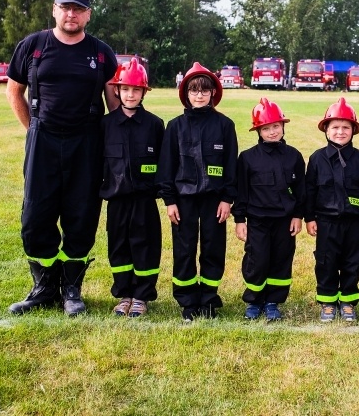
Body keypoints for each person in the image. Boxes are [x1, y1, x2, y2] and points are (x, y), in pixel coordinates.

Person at [6, 0, 118, 316]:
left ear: (88, 15)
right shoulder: (32, 46)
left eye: (78, 9)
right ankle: (44, 288)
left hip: (87, 142)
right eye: (65, 7)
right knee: (35, 217)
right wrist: (33, 129)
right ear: (54, 9)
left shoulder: (101, 53)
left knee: (81, 215)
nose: (71, 14)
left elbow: (114, 103)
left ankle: (71, 288)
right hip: (43, 139)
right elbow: (14, 91)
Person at [157, 62, 238, 322]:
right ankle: (188, 301)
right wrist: (170, 200)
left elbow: (231, 166)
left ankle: (209, 299)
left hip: (215, 200)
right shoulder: (175, 126)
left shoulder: (225, 126)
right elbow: (166, 166)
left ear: (213, 92)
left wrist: (227, 199)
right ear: (186, 94)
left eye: (204, 90)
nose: (199, 95)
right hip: (183, 200)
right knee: (184, 249)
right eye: (194, 90)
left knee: (213, 248)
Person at [100, 57, 165, 318]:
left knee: (145, 246)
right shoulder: (105, 125)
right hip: (117, 199)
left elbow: (163, 163)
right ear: (116, 90)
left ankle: (141, 296)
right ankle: (124, 294)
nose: (130, 94)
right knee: (119, 246)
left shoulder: (155, 125)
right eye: (125, 89)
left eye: (136, 90)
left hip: (144, 200)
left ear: (143, 92)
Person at [232, 98, 306, 322]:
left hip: (284, 220)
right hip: (258, 221)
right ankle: (254, 300)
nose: (272, 132)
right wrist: (240, 219)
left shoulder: (294, 156)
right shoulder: (247, 158)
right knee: (258, 260)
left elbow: (301, 190)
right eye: (266, 128)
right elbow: (241, 192)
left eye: (276, 126)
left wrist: (298, 215)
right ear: (258, 131)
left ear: (283, 126)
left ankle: (273, 301)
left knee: (281, 259)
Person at [305, 98, 359, 322]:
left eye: (346, 127)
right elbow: (309, 191)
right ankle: (328, 302)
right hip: (326, 222)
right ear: (326, 129)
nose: (340, 132)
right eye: (335, 127)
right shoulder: (316, 159)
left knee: (353, 262)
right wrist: (309, 218)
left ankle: (348, 301)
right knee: (326, 262)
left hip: (354, 223)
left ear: (354, 130)